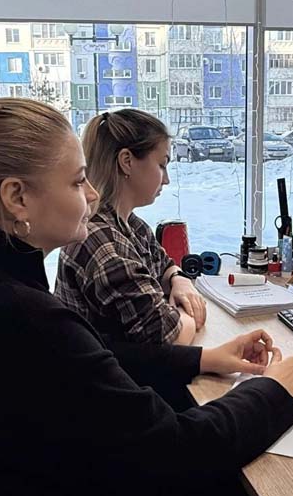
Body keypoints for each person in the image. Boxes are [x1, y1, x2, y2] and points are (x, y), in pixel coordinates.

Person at [0, 98, 293, 496]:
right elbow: (178, 450)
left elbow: (93, 359)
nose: (92, 194)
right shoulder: (23, 317)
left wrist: (202, 358)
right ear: (17, 198)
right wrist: (276, 391)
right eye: (77, 181)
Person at [55, 109, 203, 347]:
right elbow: (168, 337)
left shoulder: (131, 225)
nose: (166, 179)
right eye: (161, 165)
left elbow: (165, 267)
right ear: (127, 161)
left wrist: (179, 280)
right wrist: (189, 310)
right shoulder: (100, 240)